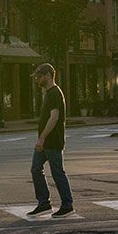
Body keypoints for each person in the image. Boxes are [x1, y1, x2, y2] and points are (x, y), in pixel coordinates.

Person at [28, 63, 74, 218]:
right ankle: (44, 203)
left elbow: (54, 117)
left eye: (39, 76)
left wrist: (42, 138)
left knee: (57, 172)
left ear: (48, 75)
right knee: (36, 169)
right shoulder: (48, 93)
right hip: (45, 141)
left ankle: (67, 205)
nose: (36, 79)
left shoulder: (54, 93)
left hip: (52, 141)